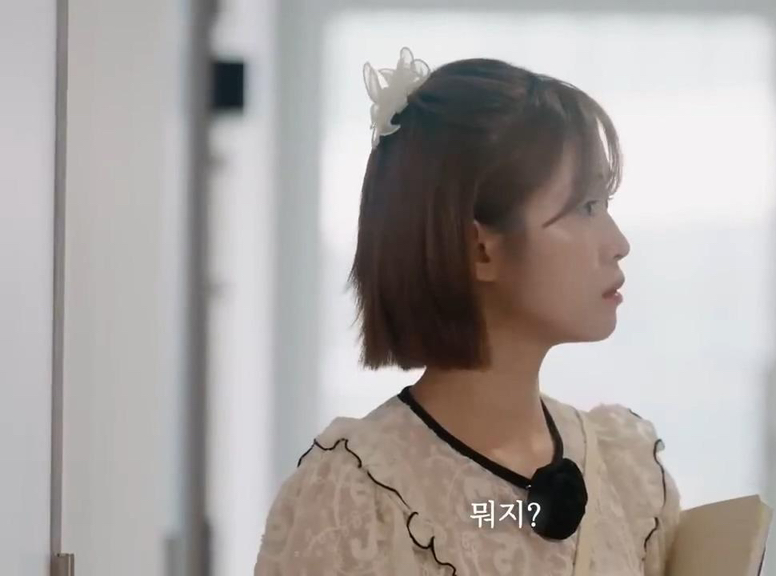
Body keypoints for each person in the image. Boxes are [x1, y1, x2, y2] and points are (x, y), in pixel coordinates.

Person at [254, 47, 681, 576]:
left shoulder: (627, 472)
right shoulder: (358, 498)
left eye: (605, 205)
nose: (617, 244)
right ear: (478, 249)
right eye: (586, 207)